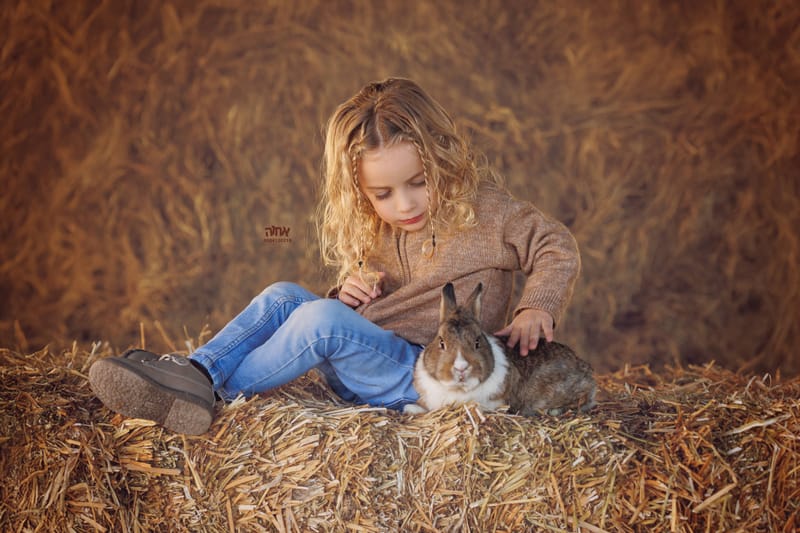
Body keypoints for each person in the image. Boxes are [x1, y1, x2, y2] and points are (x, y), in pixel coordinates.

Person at [88, 78, 581, 435]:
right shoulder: (378, 228)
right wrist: (347, 295)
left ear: (444, 158)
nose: (403, 205)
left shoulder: (489, 212)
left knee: (321, 321)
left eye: (418, 183)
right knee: (285, 295)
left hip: (431, 374)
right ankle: (196, 372)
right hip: (375, 357)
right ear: (360, 190)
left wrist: (537, 303)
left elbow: (556, 245)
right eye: (383, 193)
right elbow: (363, 311)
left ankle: (210, 394)